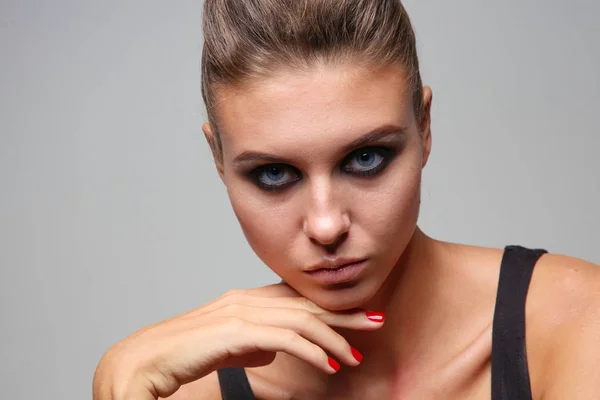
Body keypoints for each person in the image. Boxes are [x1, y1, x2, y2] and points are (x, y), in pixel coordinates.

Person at [92, 1, 600, 399]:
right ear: (218, 160)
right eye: (274, 173)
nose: (327, 224)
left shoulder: (575, 322)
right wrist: (119, 383)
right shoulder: (183, 388)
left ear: (423, 128)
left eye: (365, 159)